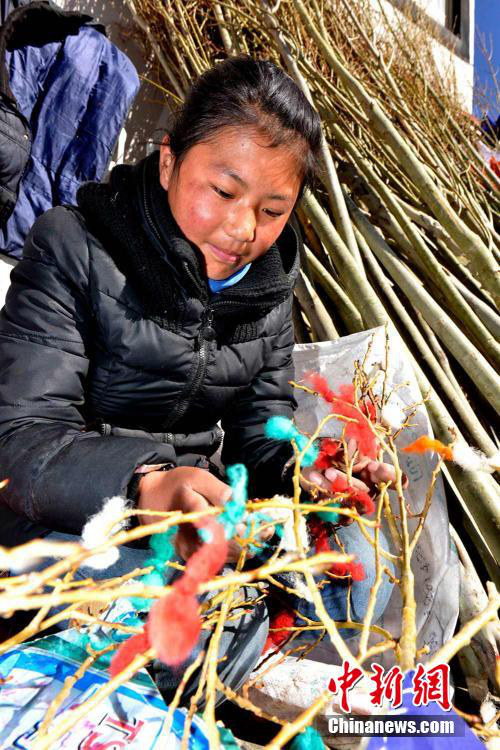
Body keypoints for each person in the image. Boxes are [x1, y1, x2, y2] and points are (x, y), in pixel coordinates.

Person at [0, 56, 394, 703]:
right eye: (223, 191)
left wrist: (313, 470)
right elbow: (19, 439)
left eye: (272, 209)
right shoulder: (73, 247)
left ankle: (236, 693)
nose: (243, 231)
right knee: (133, 608)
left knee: (355, 570)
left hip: (205, 518)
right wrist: (147, 483)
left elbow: (258, 435)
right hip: (70, 517)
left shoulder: (266, 289)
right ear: (168, 162)